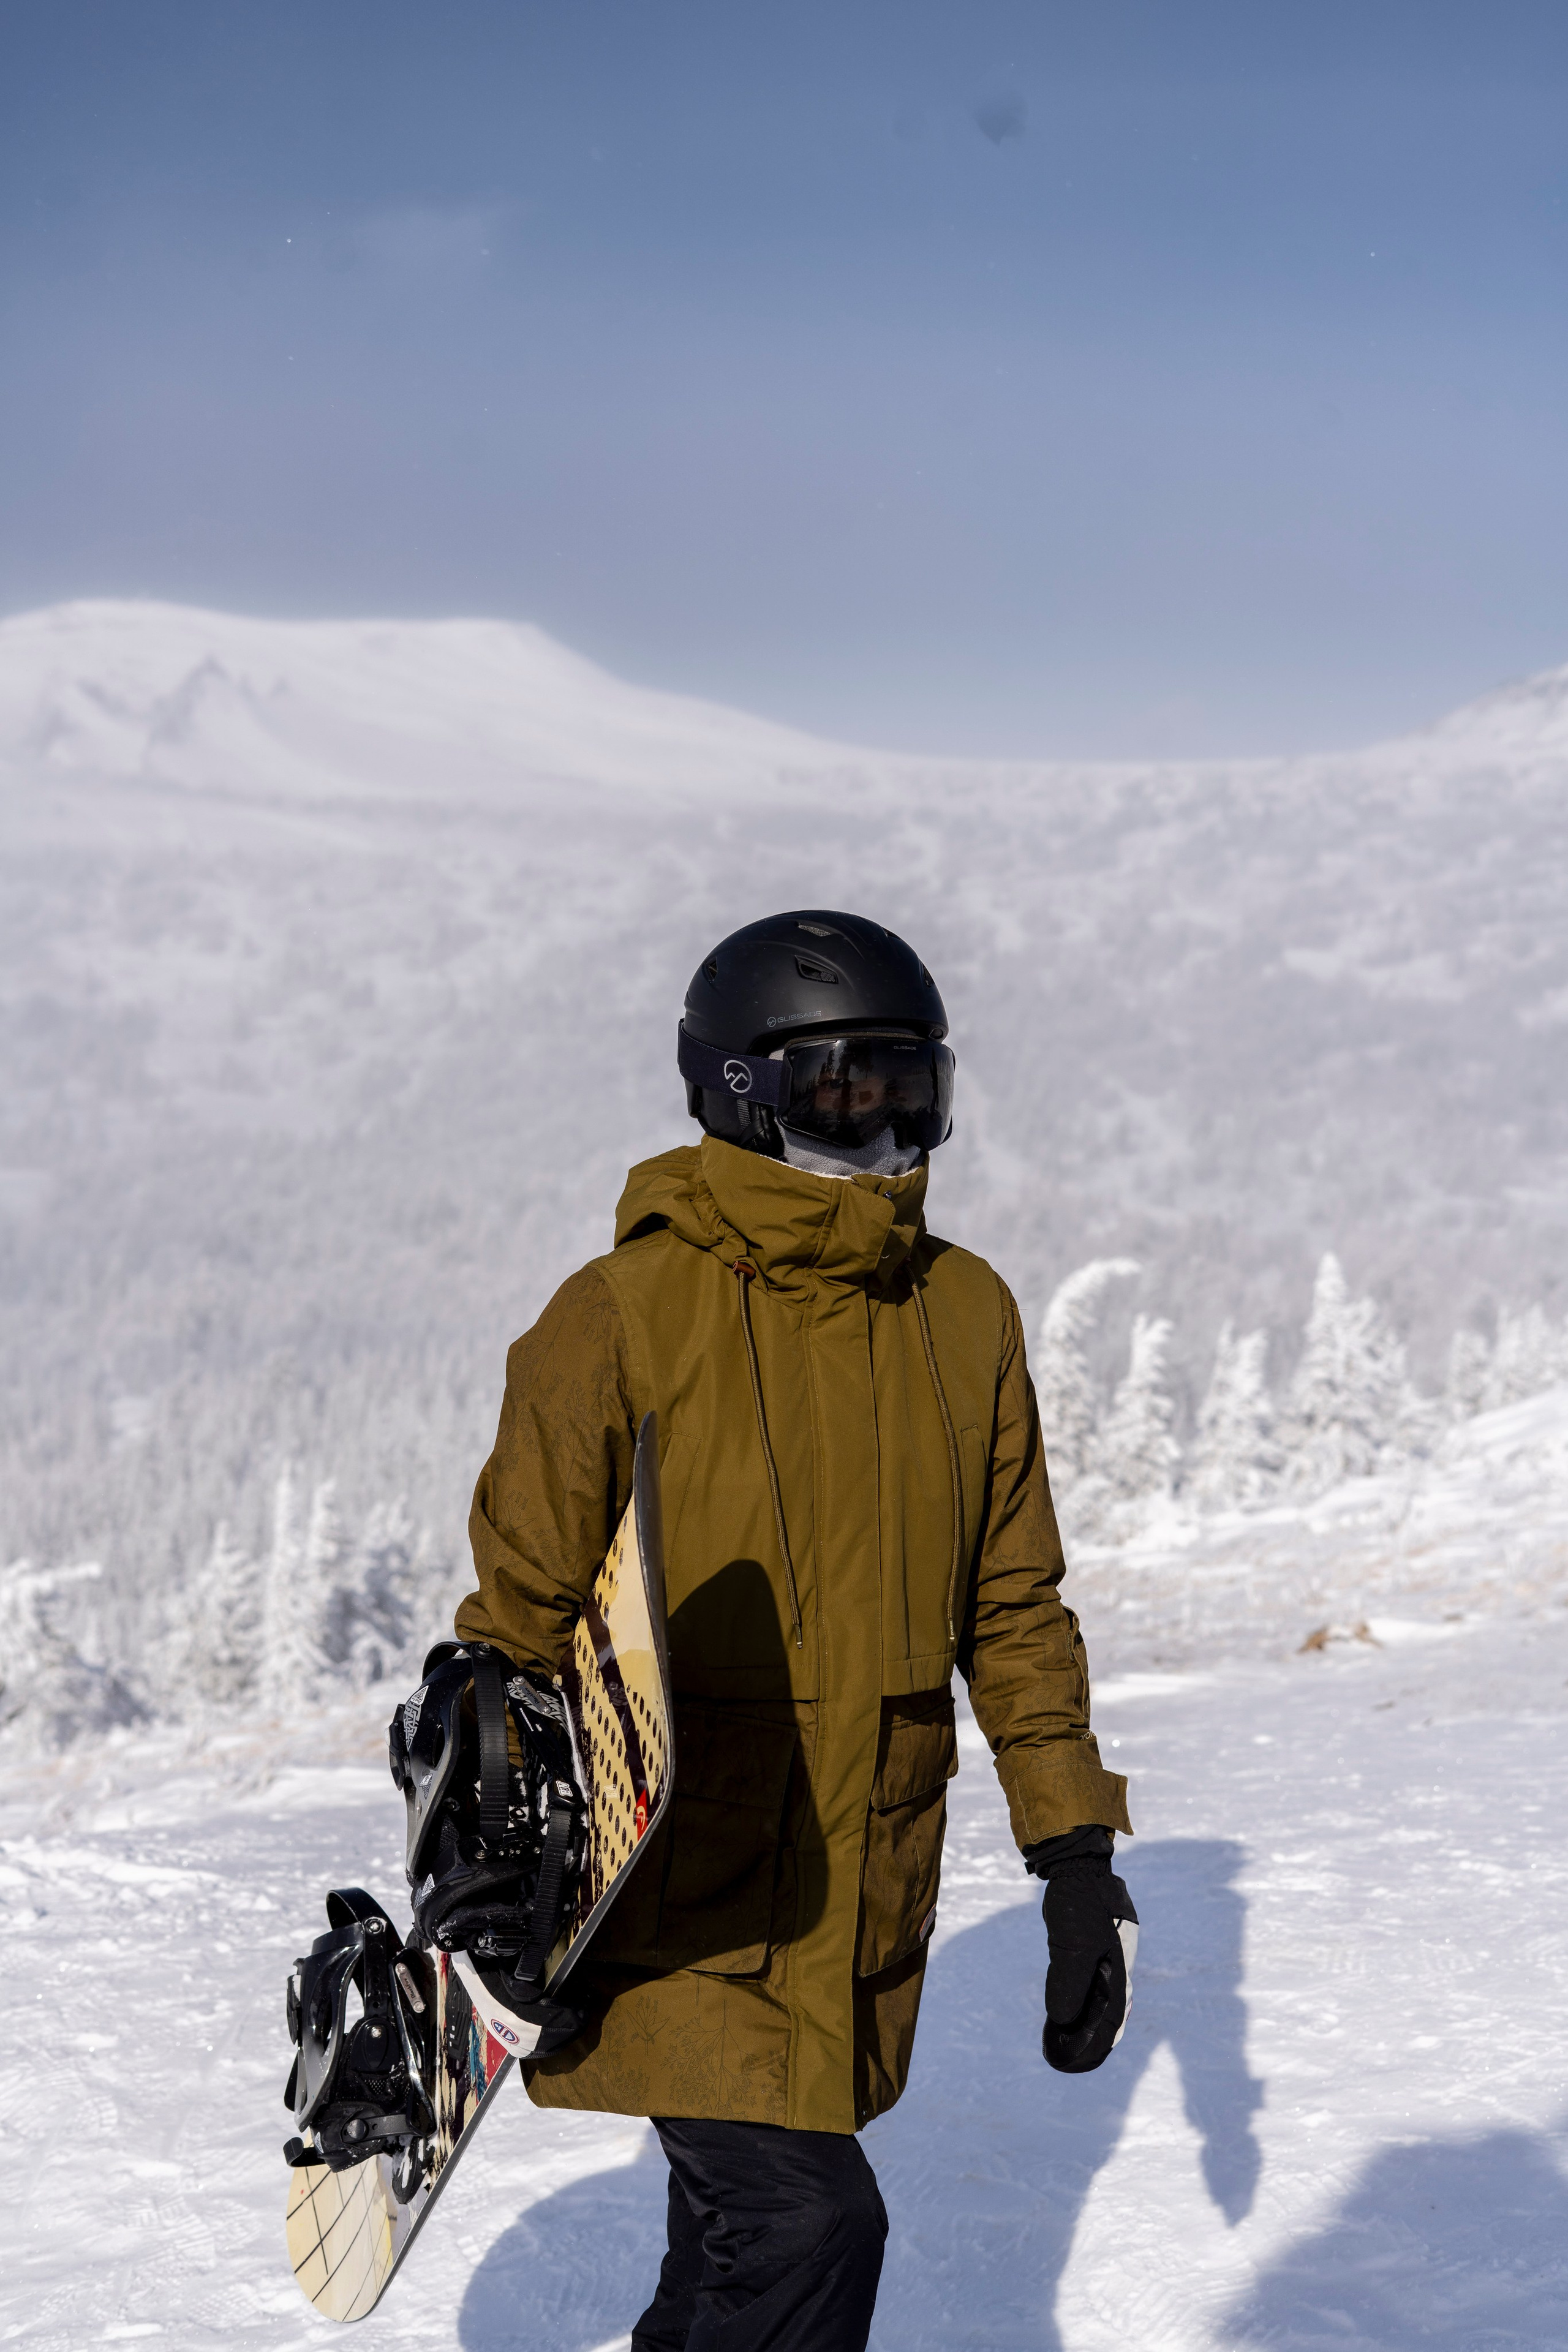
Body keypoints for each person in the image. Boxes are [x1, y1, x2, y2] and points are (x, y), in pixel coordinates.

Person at [454, 908, 1136, 2352]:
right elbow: (510, 1632)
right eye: (839, 1084)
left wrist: (1071, 1855)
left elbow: (1011, 1606)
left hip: (863, 1867)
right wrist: (489, 1859)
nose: (877, 1116)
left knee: (738, 2233)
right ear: (741, 1091)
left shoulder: (964, 1313)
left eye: (903, 1081)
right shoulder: (621, 1316)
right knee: (808, 2221)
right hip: (673, 1879)